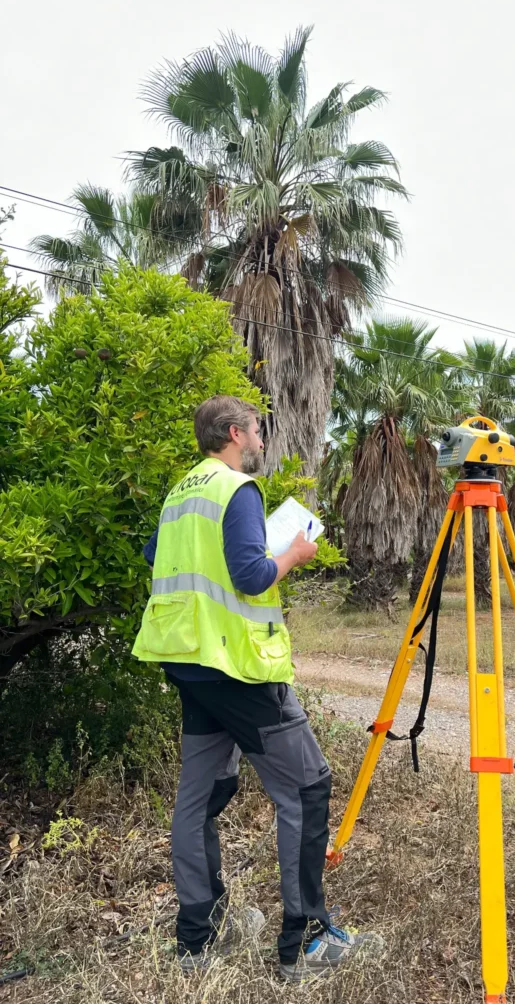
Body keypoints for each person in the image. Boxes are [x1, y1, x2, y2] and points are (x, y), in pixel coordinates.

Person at [133, 395, 382, 980]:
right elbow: (249, 576)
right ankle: (305, 943)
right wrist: (293, 552)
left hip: (189, 661)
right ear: (233, 434)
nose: (262, 442)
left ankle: (200, 936)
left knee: (198, 799)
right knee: (307, 787)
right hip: (239, 668)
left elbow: (158, 558)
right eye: (256, 432)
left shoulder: (180, 493)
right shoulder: (236, 490)